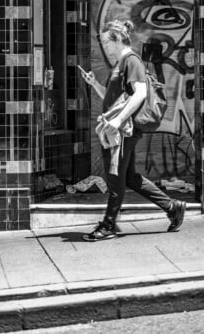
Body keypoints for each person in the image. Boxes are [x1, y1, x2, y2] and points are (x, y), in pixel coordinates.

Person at [79, 19, 186, 241]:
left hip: (122, 130)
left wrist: (117, 121)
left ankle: (109, 225)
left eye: (107, 41)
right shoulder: (119, 64)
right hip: (118, 128)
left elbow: (140, 93)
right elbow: (114, 100)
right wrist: (95, 85)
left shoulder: (131, 61)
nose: (105, 46)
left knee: (114, 175)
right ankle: (172, 206)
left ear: (117, 39)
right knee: (128, 177)